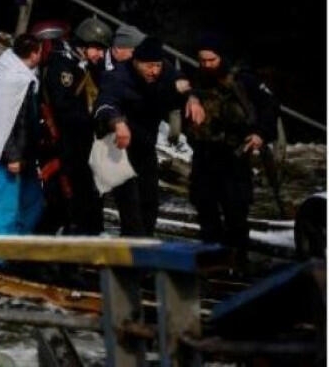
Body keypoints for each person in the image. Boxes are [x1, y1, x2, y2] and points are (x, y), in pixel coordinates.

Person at [93, 36, 206, 236]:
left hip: (145, 147)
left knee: (149, 205)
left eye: (157, 66)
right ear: (136, 61)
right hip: (119, 150)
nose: (153, 71)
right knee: (131, 212)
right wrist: (117, 122)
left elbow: (185, 82)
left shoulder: (164, 71)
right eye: (149, 66)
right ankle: (131, 261)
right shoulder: (118, 76)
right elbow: (104, 104)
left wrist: (192, 98)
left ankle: (145, 254)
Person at [186, 33, 278, 262]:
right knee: (205, 207)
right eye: (203, 60)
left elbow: (269, 105)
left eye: (212, 60)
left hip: (234, 153)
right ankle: (213, 259)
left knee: (235, 209)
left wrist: (261, 133)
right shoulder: (197, 78)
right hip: (205, 152)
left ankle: (238, 259)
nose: (207, 65)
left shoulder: (243, 80)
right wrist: (190, 98)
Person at [41, 16, 112, 235]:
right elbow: (63, 106)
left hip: (82, 141)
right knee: (63, 199)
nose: (100, 55)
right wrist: (90, 120)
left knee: (84, 195)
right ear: (84, 44)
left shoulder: (85, 65)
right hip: (64, 141)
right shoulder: (63, 64)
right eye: (97, 49)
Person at [0, 34, 45, 236]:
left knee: (31, 201)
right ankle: (1, 255)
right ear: (34, 54)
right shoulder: (14, 80)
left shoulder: (13, 72)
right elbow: (6, 122)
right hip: (10, 156)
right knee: (6, 205)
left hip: (22, 152)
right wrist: (12, 156)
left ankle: (19, 245)